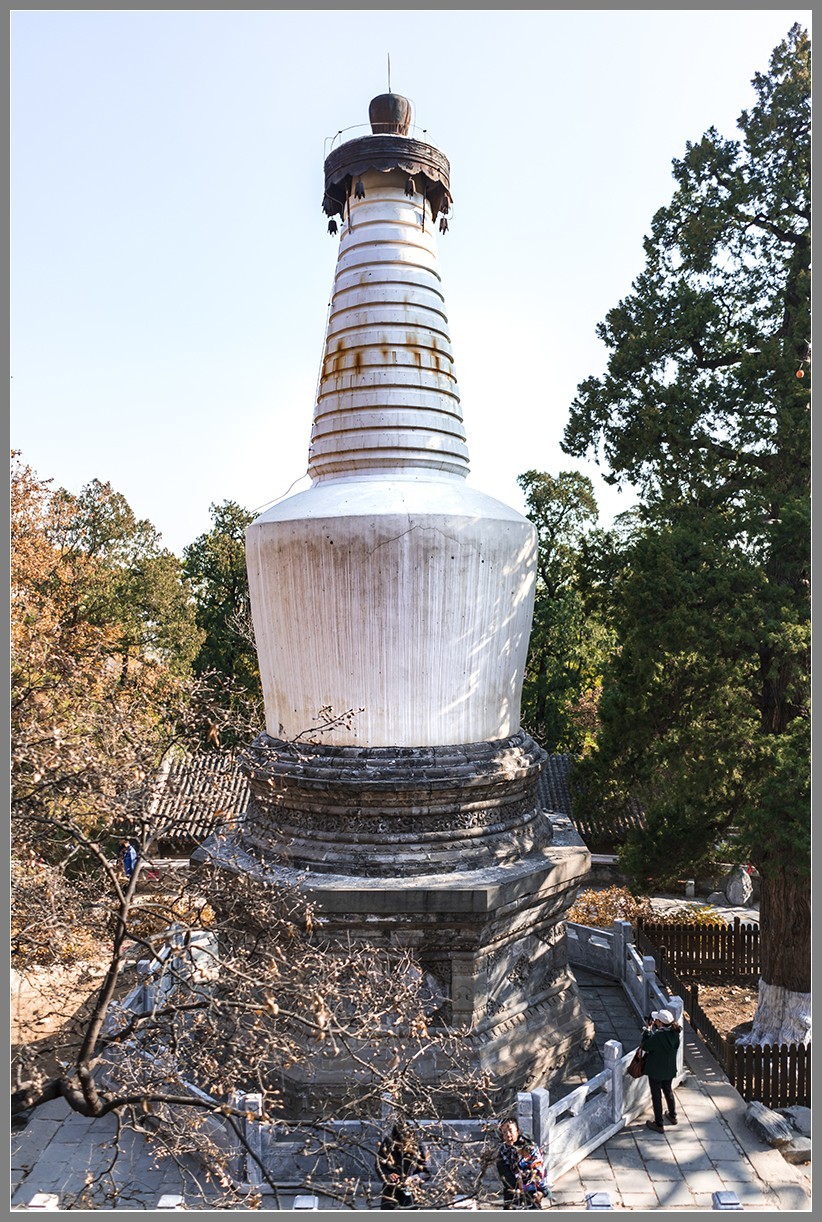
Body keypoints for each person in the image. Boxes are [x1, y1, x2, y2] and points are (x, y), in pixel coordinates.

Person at [496, 1117, 551, 1210]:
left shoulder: (529, 1147)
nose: (508, 1135)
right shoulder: (503, 1151)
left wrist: (531, 1185)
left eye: (510, 1131)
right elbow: (504, 1173)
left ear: (517, 1130)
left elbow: (538, 1168)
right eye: (504, 1132)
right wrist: (517, 1185)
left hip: (532, 1186)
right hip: (513, 1187)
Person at [641, 1007, 681, 1132]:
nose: (654, 1021)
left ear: (660, 1023)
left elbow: (645, 1046)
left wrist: (648, 1031)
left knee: (656, 1096)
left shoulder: (659, 1036)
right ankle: (673, 1115)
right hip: (669, 1069)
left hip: (656, 1070)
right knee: (668, 1091)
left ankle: (659, 1123)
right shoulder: (675, 1034)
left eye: (656, 1020)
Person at [375, 1119, 429, 1210]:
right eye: (399, 1144)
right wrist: (387, 1175)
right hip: (391, 1191)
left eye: (405, 1143)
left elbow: (427, 1172)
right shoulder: (388, 1144)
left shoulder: (419, 1146)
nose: (402, 1147)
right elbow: (379, 1164)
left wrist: (414, 1178)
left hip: (411, 1192)